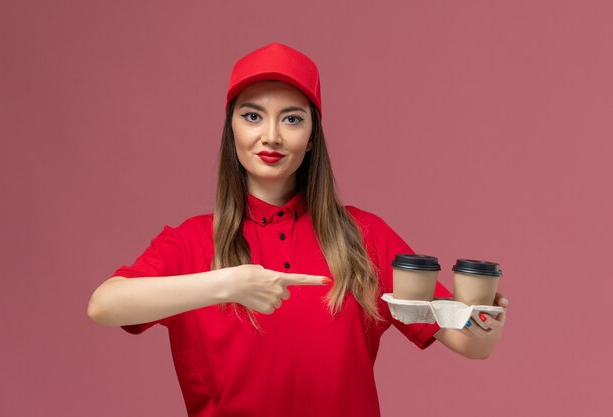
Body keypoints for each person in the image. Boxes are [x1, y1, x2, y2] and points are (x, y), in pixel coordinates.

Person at [87, 42, 509, 417]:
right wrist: (228, 283)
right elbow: (104, 305)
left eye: (291, 119)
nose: (270, 136)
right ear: (231, 128)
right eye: (253, 116)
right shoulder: (191, 242)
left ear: (311, 138)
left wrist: (486, 320)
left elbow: (473, 344)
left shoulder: (364, 237)